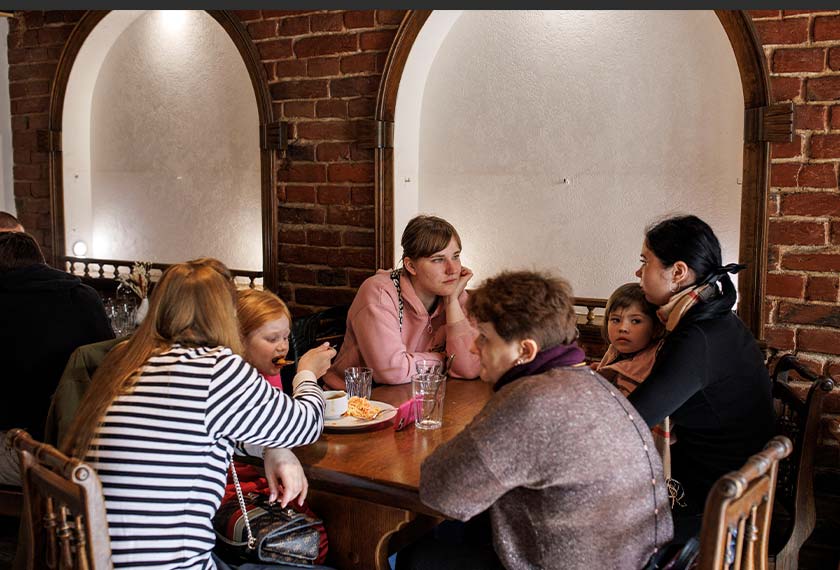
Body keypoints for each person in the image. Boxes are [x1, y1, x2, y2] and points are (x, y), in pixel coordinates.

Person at [62, 258, 334, 569]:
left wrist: (273, 447)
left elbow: (194, 433)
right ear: (225, 314)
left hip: (104, 557)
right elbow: (306, 424)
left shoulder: (130, 359)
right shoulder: (214, 367)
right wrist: (306, 375)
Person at [401, 270, 672, 570]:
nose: (472, 347)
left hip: (579, 562)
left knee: (419, 555)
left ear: (525, 350)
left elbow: (442, 491)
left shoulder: (531, 400)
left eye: (484, 338)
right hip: (636, 558)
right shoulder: (593, 381)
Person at [628, 214, 775, 542]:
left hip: (717, 505)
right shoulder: (714, 319)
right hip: (736, 486)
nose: (638, 272)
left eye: (645, 261)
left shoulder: (697, 336)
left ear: (678, 272)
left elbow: (631, 421)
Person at [0, 232, 114, 486]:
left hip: (23, 449)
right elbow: (109, 366)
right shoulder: (84, 296)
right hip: (80, 445)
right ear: (41, 261)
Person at [324, 215, 479, 388]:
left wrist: (451, 302)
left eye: (456, 256)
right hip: (353, 404)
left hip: (412, 396)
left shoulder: (454, 293)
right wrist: (446, 358)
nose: (452, 269)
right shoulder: (379, 293)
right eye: (438, 259)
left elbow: (470, 368)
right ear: (411, 266)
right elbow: (392, 372)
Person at [594, 283, 673, 479]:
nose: (623, 328)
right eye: (615, 320)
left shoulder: (651, 361)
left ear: (655, 328)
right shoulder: (616, 350)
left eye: (635, 321)